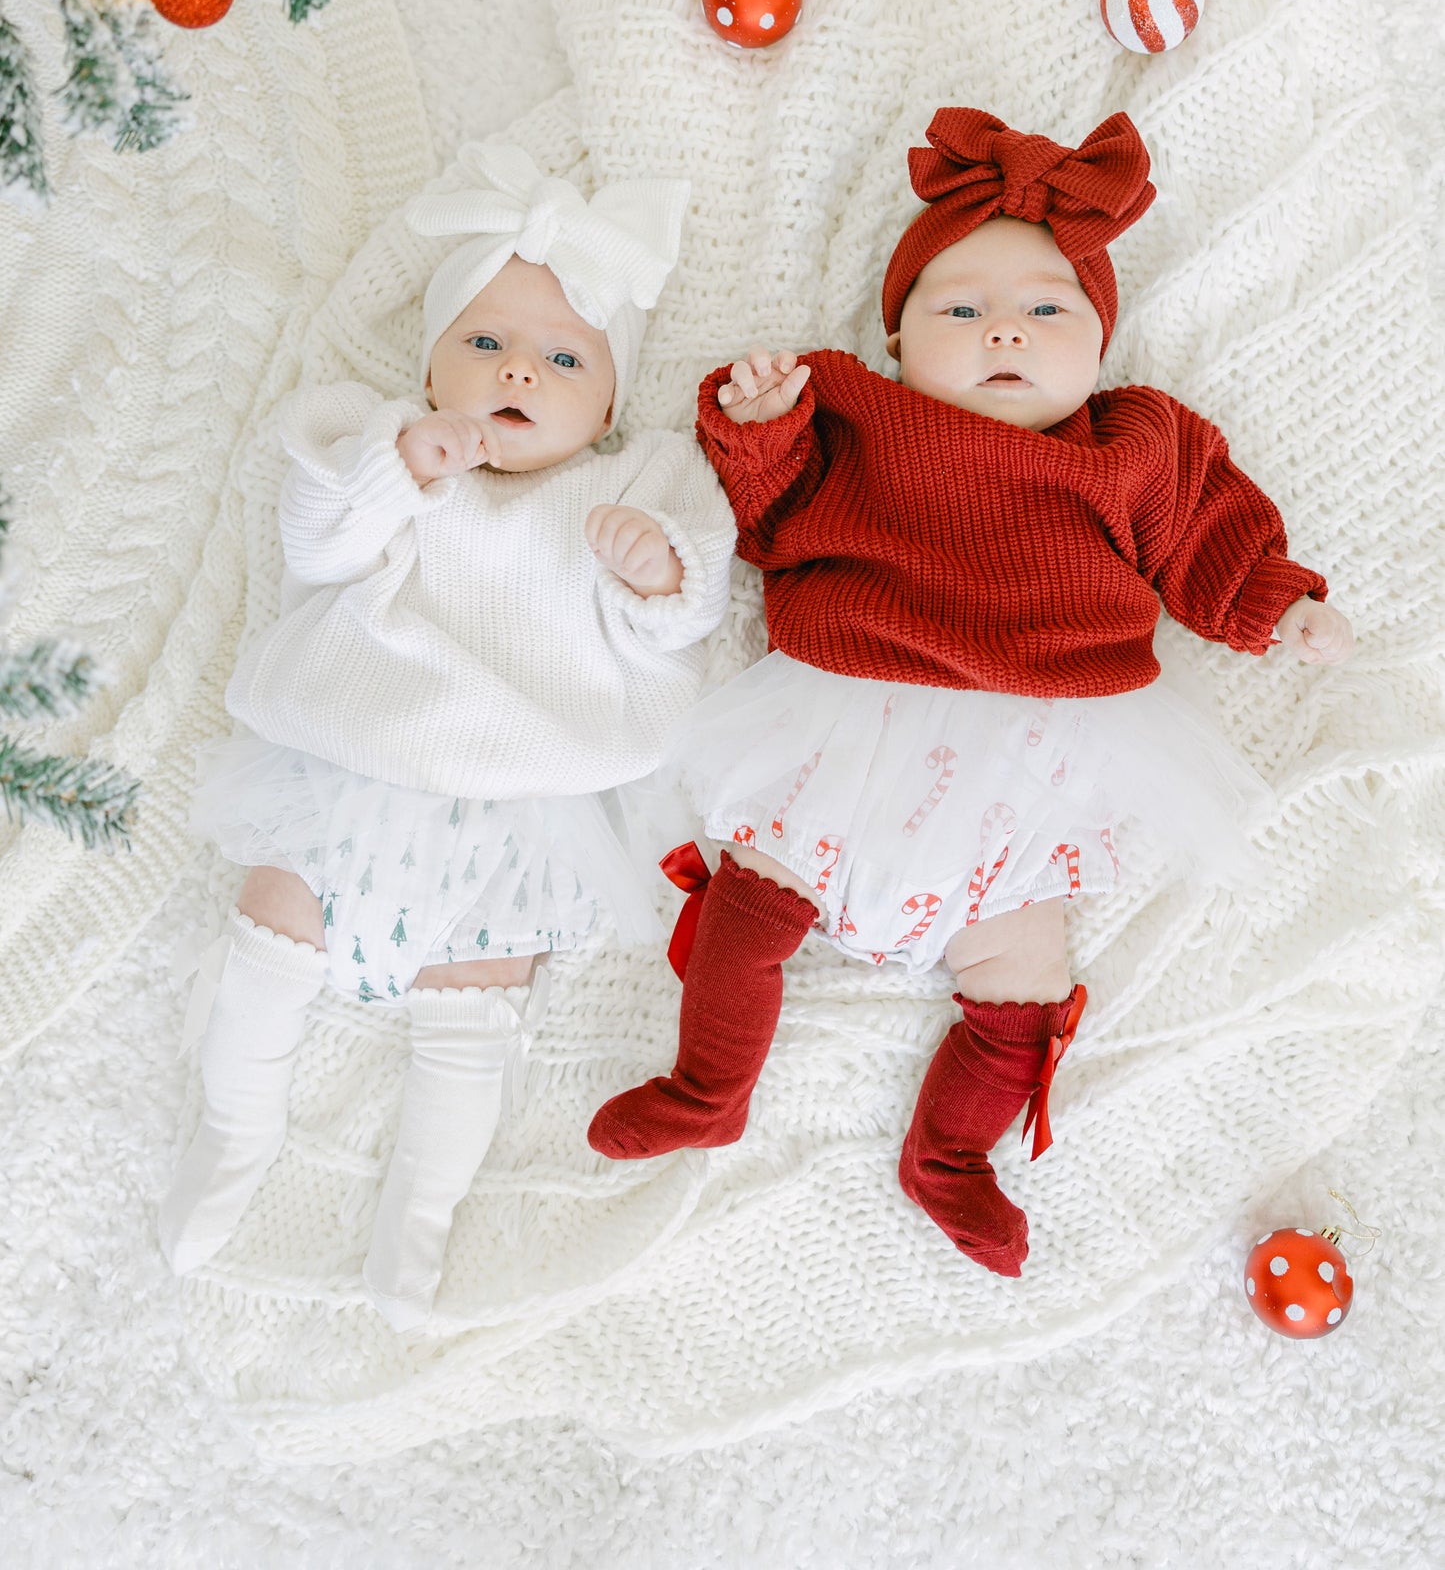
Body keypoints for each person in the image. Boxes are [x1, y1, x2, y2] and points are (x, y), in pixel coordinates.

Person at [589, 107, 1352, 1278]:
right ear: (894, 338)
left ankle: (948, 1153)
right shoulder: (856, 410)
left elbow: (1209, 534)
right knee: (754, 894)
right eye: (959, 309)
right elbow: (761, 511)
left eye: (1046, 309)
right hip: (851, 700)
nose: (1004, 327)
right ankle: (709, 1083)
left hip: (1037, 750)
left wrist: (1272, 601)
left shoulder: (1133, 444)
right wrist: (758, 425)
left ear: (1098, 341)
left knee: (1022, 971)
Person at [159, 142, 735, 1328]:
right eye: (481, 343)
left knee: (469, 1006)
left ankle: (417, 1215)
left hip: (528, 796)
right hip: (353, 752)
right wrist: (392, 472)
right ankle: (232, 1127)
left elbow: (687, 614)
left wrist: (654, 571)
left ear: (613, 403)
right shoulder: (387, 449)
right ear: (427, 366)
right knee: (272, 939)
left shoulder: (636, 484)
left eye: (562, 357)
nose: (516, 365)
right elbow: (314, 550)